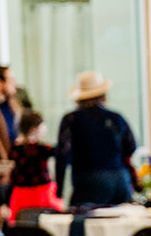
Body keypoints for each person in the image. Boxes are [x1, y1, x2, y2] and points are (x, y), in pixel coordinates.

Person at [56, 70, 136, 205]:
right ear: (103, 95)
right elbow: (131, 146)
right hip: (119, 178)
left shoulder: (71, 119)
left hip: (89, 179)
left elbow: (63, 154)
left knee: (83, 222)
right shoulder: (116, 118)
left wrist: (59, 188)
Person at [8, 110, 63, 214]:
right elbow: (60, 151)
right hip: (42, 193)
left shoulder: (15, 149)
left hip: (20, 194)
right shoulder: (43, 149)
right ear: (34, 129)